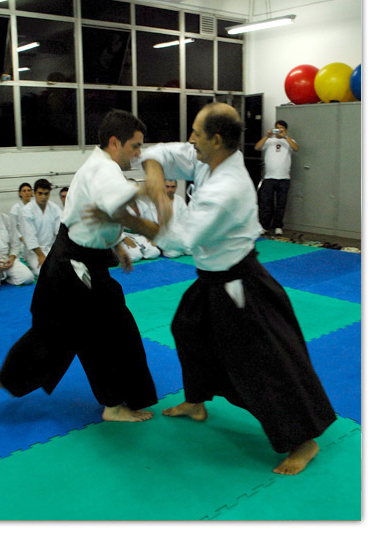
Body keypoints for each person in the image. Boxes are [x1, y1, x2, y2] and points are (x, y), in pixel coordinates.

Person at [88, 103, 336, 474]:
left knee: (263, 365)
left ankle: (304, 440)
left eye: (196, 134)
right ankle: (197, 401)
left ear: (216, 140)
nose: (190, 139)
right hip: (211, 279)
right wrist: (155, 183)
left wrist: (126, 218)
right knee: (186, 330)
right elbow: (159, 153)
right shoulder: (209, 158)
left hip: (240, 285)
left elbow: (180, 239)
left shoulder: (227, 188)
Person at [0, 109, 158, 423]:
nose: (138, 153)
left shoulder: (97, 165)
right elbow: (119, 207)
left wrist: (116, 243)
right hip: (76, 267)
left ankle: (11, 376)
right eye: (135, 146)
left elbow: (99, 214)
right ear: (114, 142)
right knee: (107, 334)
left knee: (57, 329)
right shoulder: (105, 171)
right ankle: (113, 404)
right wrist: (151, 197)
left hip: (73, 259)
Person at [255, 120, 299, 235]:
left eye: (281, 128)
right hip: (269, 177)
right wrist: (266, 136)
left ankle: (278, 226)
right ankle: (264, 226)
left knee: (281, 204)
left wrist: (285, 137)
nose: (279, 130)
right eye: (277, 128)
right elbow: (257, 147)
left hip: (284, 178)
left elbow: (296, 148)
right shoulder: (269, 141)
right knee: (266, 203)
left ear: (285, 130)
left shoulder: (289, 141)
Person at [20, 179, 62, 276]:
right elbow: (30, 236)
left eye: (46, 194)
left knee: (65, 269)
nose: (43, 197)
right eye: (40, 193)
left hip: (52, 248)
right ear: (34, 193)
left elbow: (59, 232)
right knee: (43, 272)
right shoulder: (27, 210)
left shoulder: (54, 208)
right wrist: (41, 255)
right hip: (34, 252)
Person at [122, 190, 161, 262]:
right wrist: (124, 238)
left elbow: (149, 223)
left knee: (155, 253)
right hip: (125, 235)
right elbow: (114, 227)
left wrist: (149, 237)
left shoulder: (142, 205)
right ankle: (118, 251)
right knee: (135, 257)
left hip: (139, 234)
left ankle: (139, 250)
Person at [159, 180, 192, 259]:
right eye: (167, 186)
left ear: (176, 187)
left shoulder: (179, 199)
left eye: (173, 187)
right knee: (173, 254)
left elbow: (186, 217)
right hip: (165, 233)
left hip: (179, 231)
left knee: (190, 251)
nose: (170, 189)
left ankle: (182, 246)